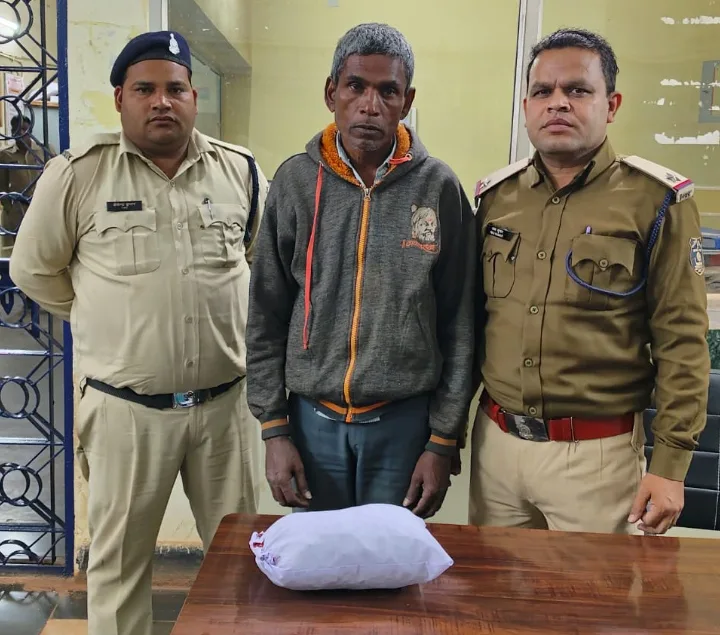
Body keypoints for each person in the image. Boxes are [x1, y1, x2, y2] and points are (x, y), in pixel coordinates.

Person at [10, 31, 268, 635]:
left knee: (239, 566)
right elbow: (33, 270)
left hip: (223, 410)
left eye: (175, 89)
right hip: (125, 413)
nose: (161, 102)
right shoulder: (77, 176)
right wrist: (103, 318)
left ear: (193, 96)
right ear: (120, 98)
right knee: (119, 571)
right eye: (145, 89)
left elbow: (259, 262)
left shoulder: (241, 172)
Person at [470, 28, 709, 536]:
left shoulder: (655, 201)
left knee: (594, 590)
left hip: (596, 460)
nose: (557, 103)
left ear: (611, 104)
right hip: (496, 448)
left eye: (577, 90)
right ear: (526, 107)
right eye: (543, 91)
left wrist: (670, 465)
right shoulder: (496, 198)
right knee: (492, 586)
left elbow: (682, 342)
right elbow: (472, 325)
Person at [246, 23, 475, 519]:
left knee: (392, 560)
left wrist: (443, 439)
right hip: (311, 425)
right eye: (356, 86)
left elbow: (460, 323)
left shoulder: (439, 188)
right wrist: (274, 427)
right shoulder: (294, 182)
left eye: (387, 91)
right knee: (320, 559)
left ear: (406, 101)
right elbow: (265, 312)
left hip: (404, 426)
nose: (370, 105)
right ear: (332, 93)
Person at [0, 115, 51, 249]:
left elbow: (57, 175)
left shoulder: (44, 150)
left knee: (42, 246)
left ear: (30, 131)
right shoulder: (5, 155)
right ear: (12, 132)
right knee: (18, 248)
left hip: (42, 207)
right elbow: (2, 185)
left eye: (24, 129)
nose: (21, 133)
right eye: (17, 129)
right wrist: (9, 208)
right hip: (17, 210)